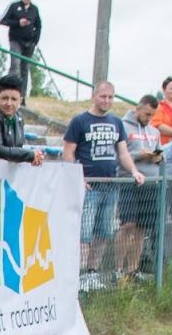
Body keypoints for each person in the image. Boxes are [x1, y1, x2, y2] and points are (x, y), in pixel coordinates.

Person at [61, 82, 146, 287]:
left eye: (110, 97)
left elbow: (123, 152)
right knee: (84, 233)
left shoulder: (116, 122)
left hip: (110, 186)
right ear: (94, 96)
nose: (106, 100)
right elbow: (68, 153)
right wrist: (77, 178)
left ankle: (92, 272)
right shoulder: (80, 121)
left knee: (104, 232)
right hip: (89, 186)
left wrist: (134, 171)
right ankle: (78, 275)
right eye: (103, 96)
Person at [118, 94, 164, 279]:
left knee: (141, 228)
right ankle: (118, 269)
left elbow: (161, 154)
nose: (148, 118)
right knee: (127, 225)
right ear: (137, 108)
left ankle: (132, 270)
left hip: (151, 183)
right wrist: (140, 155)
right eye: (146, 114)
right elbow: (121, 153)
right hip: (129, 181)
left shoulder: (154, 131)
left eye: (152, 115)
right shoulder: (122, 126)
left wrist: (156, 156)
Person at [0, 75, 45, 164]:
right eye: (5, 98)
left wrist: (35, 157)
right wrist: (30, 155)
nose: (9, 103)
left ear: (20, 101)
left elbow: (17, 149)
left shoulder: (18, 118)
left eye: (14, 99)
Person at [0, 0, 41, 94]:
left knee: (25, 69)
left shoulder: (34, 9)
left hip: (29, 43)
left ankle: (22, 95)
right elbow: (4, 21)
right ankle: (9, 89)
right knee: (15, 65)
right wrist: (18, 23)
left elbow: (39, 25)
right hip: (15, 40)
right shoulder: (14, 6)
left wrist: (35, 40)